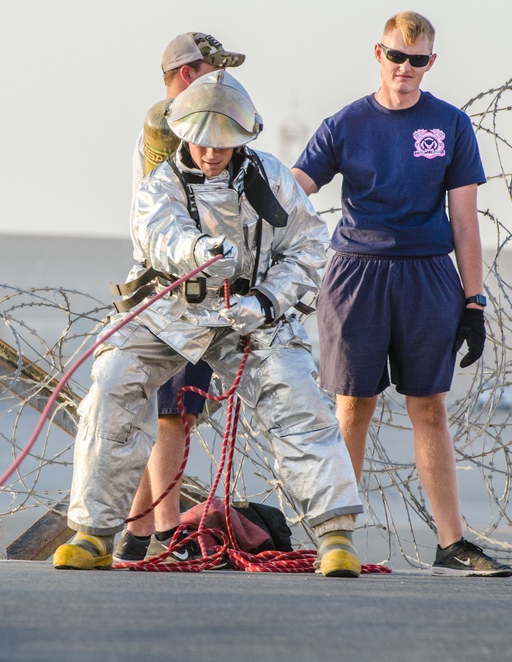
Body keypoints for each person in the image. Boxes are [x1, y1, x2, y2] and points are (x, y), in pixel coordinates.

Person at [54, 70, 364, 577]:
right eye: (201, 142)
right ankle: (92, 533)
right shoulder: (161, 186)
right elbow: (158, 235)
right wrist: (198, 252)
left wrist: (266, 300)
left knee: (297, 399)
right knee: (112, 384)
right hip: (168, 310)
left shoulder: (273, 179)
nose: (211, 153)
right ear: (184, 134)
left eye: (223, 144)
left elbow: (308, 247)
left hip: (252, 317)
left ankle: (336, 536)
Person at [291, 11, 511, 577]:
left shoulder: (450, 124)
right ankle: (335, 537)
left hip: (427, 274)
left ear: (430, 63)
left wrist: (474, 300)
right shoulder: (345, 124)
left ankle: (452, 542)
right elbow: (292, 191)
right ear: (379, 54)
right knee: (353, 406)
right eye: (396, 57)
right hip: (356, 273)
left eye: (417, 60)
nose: (405, 68)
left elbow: (465, 223)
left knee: (429, 407)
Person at [115, 32, 244, 564]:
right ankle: (169, 533)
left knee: (176, 413)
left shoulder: (187, 124)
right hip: (176, 291)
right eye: (214, 72)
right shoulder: (170, 123)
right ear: (189, 73)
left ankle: (137, 534)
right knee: (171, 415)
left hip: (196, 285)